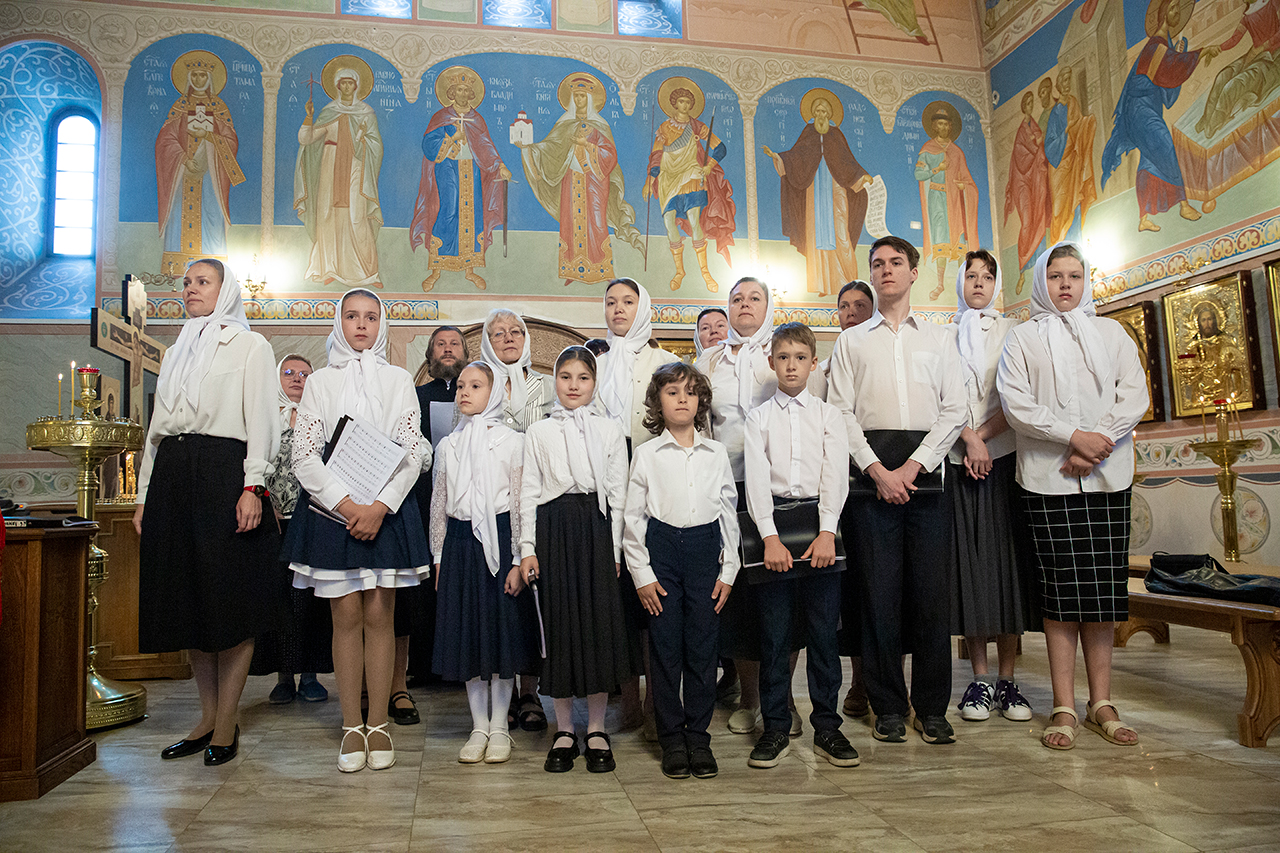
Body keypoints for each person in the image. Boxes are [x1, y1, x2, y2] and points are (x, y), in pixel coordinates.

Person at [997, 242, 1148, 750]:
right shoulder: (1022, 338)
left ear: (1086, 281)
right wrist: (1073, 437)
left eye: (1074, 275)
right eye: (1056, 276)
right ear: (1042, 283)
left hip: (1106, 475)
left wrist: (1096, 443)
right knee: (1061, 595)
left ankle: (1101, 702)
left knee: (1102, 596)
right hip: (1048, 478)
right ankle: (1063, 704)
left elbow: (1134, 394)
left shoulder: (1112, 333)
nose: (1065, 284)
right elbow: (1017, 405)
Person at [133, 258, 279, 766]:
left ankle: (227, 721)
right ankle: (206, 716)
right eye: (187, 283)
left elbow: (262, 420)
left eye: (202, 282)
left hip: (224, 471)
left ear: (226, 290)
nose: (191, 289)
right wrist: (144, 495)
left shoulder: (251, 345)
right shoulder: (175, 350)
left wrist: (253, 486)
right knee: (189, 599)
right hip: (173, 473)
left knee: (228, 598)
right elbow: (156, 431)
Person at [285, 288, 432, 772]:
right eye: (352, 316)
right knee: (345, 616)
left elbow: (412, 451)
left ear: (381, 323)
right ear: (339, 323)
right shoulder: (320, 382)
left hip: (386, 509)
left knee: (379, 615)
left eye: (370, 316)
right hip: (335, 510)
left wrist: (380, 507)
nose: (362, 325)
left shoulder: (397, 380)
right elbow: (305, 455)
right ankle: (351, 724)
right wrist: (348, 507)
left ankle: (379, 722)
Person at [827, 236, 966, 746]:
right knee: (877, 595)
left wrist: (913, 466)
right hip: (871, 483)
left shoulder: (940, 339)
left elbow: (955, 409)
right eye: (878, 263)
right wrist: (877, 470)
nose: (886, 270)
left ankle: (931, 708)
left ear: (913, 273)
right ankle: (887, 705)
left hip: (925, 480)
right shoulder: (852, 343)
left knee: (930, 597)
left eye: (896, 262)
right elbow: (840, 412)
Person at [743, 323, 858, 770]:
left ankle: (827, 727)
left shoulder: (828, 416)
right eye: (783, 357)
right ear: (772, 362)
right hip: (774, 528)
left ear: (813, 364)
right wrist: (769, 537)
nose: (791, 366)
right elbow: (755, 479)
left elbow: (835, 474)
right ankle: (774, 726)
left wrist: (827, 531)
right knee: (775, 637)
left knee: (823, 635)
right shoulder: (758, 418)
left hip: (819, 526)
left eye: (800, 358)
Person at [520, 346, 636, 772]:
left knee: (597, 626)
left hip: (596, 529)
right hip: (553, 529)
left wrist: (617, 549)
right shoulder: (539, 432)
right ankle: (565, 728)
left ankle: (597, 728)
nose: (573, 385)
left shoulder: (609, 430)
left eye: (582, 377)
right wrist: (527, 548)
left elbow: (619, 493)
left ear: (594, 383)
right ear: (555, 381)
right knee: (561, 625)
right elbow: (528, 493)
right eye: (565, 376)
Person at [624, 362, 739, 779]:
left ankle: (699, 738)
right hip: (663, 550)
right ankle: (671, 737)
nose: (682, 399)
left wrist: (728, 571)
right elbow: (633, 518)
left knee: (703, 648)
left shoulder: (716, 454)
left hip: (706, 551)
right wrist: (643, 575)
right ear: (658, 402)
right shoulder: (647, 455)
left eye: (690, 392)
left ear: (701, 401)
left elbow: (728, 513)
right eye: (672, 392)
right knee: (665, 647)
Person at [698, 278, 796, 737]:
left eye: (755, 297)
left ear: (768, 305)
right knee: (738, 594)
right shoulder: (709, 361)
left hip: (780, 486)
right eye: (736, 299)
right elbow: (701, 423)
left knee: (780, 593)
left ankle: (783, 698)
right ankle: (751, 697)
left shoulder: (783, 352)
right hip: (727, 485)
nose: (744, 305)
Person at [946, 252, 1039, 725]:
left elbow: (1018, 396)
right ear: (958, 281)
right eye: (970, 275)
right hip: (957, 458)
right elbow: (940, 398)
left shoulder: (1014, 332)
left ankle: (1007, 678)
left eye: (987, 276)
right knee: (971, 568)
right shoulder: (942, 335)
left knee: (1006, 567)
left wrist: (983, 438)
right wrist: (968, 439)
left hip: (1003, 458)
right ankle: (979, 679)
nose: (978, 283)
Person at [431, 362, 538, 764]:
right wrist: (439, 555)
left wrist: (518, 557)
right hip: (461, 543)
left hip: (501, 540)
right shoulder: (448, 445)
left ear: (494, 393)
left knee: (501, 636)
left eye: (475, 385)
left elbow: (520, 503)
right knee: (470, 636)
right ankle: (478, 725)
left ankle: (499, 726)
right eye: (461, 385)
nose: (464, 392)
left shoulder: (513, 442)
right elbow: (439, 504)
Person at [597, 278, 681, 736]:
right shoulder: (595, 364)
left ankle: (656, 701)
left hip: (654, 480)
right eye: (611, 302)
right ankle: (627, 698)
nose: (618, 309)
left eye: (628, 301)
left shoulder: (664, 363)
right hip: (605, 486)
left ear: (643, 308)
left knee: (653, 595)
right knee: (617, 603)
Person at [479, 309, 553, 728]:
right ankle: (499, 690)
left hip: (536, 500)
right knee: (498, 601)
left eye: (515, 332)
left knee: (531, 599)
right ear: (487, 342)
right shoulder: (477, 382)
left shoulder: (546, 385)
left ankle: (530, 693)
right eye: (498, 333)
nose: (508, 338)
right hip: (491, 505)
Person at [251, 354, 333, 705]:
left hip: (312, 518)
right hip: (271, 521)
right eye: (289, 372)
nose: (297, 379)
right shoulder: (264, 417)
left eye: (304, 374)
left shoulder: (322, 417)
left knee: (311, 600)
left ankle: (310, 674)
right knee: (278, 598)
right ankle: (284, 675)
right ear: (277, 378)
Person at [1101, 0, 1220, 233]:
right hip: (1140, 111)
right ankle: (1184, 204)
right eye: (1173, 8)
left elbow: (1167, 85)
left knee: (1148, 160)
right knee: (1166, 145)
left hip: (1148, 110)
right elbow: (1169, 70)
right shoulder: (1155, 45)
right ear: (1164, 14)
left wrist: (1180, 54)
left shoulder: (1164, 46)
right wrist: (1200, 53)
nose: (1177, 12)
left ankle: (1143, 218)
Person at [398, 326, 469, 710]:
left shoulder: (476, 393)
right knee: (424, 583)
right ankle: (423, 665)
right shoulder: (416, 396)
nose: (447, 349)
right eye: (440, 344)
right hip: (424, 496)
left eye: (454, 344)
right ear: (430, 356)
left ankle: (461, 661)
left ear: (466, 354)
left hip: (467, 497)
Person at [518, 73, 642, 285]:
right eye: (575, 96)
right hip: (571, 178)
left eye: (582, 96)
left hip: (595, 180)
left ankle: (601, 269)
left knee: (596, 221)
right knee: (571, 221)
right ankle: (573, 270)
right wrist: (528, 148)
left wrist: (587, 145)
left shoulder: (599, 124)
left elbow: (610, 155)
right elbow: (550, 148)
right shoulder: (564, 123)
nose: (578, 100)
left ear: (590, 99)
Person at [410, 66, 513, 291]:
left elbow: (485, 145)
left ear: (471, 94)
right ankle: (436, 270)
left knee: (472, 216)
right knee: (448, 211)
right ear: (451, 93)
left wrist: (501, 166)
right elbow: (429, 145)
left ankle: (470, 269)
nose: (463, 94)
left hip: (471, 170)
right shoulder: (441, 117)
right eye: (459, 90)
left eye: (467, 90)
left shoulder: (477, 119)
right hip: (448, 168)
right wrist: (452, 138)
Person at [762, 92, 872, 295]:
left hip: (836, 189)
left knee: (841, 234)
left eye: (824, 111)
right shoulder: (809, 132)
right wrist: (779, 157)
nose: (820, 115)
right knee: (815, 235)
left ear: (829, 114)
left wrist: (861, 175)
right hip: (814, 192)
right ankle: (821, 285)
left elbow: (847, 160)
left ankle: (848, 281)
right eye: (817, 111)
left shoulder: (836, 135)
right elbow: (796, 156)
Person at [294, 64, 383, 287]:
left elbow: (376, 145)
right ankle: (329, 268)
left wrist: (363, 139)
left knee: (357, 217)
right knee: (328, 216)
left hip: (356, 168)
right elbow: (306, 139)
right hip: (330, 168)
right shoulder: (329, 111)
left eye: (350, 83)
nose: (347, 87)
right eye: (343, 83)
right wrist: (308, 117)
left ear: (356, 86)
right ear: (337, 86)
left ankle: (366, 272)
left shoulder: (366, 113)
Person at [644, 83, 736, 291]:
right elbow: (657, 155)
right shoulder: (664, 128)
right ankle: (680, 271)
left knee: (695, 221)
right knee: (669, 223)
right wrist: (649, 181)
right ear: (674, 104)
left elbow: (720, 148)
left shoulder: (698, 127)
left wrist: (709, 166)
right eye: (681, 101)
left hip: (693, 175)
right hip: (669, 178)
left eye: (688, 102)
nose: (684, 105)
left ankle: (705, 273)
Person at [155, 56, 241, 272]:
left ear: (209, 78)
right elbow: (165, 140)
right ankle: (177, 266)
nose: (198, 79)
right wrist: (184, 159)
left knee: (212, 215)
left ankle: (215, 268)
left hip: (210, 176)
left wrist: (208, 136)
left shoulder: (219, 107)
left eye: (203, 75)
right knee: (179, 216)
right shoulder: (181, 105)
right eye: (194, 75)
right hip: (182, 174)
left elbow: (231, 141)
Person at [914, 109, 979, 298]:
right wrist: (937, 169)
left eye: (946, 124)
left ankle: (962, 284)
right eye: (939, 124)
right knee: (941, 240)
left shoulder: (957, 152)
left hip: (956, 202)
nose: (943, 127)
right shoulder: (927, 149)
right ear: (934, 126)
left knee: (959, 242)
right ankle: (940, 284)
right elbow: (919, 174)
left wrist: (964, 186)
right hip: (937, 199)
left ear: (950, 127)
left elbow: (968, 181)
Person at [1005, 91, 1051, 295]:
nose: (1031, 105)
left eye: (1033, 102)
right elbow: (1022, 157)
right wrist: (1036, 145)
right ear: (1024, 106)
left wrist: (1039, 144)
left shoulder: (1035, 125)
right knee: (1026, 223)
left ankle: (1041, 269)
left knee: (1039, 219)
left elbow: (1042, 150)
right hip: (1022, 182)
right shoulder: (1022, 130)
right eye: (1028, 102)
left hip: (1035, 180)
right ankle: (1022, 270)